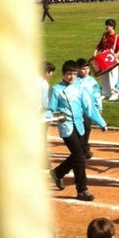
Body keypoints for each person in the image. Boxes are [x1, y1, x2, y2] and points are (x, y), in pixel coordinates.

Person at [48, 60, 108, 201]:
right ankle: (82, 190)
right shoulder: (57, 89)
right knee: (80, 158)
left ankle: (57, 173)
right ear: (63, 74)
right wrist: (56, 116)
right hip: (67, 127)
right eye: (69, 74)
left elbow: (89, 107)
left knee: (77, 155)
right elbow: (51, 109)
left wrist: (101, 123)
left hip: (79, 126)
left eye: (74, 74)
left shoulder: (80, 88)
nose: (72, 77)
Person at [76, 58, 102, 160]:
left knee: (87, 128)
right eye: (83, 69)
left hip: (88, 109)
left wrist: (99, 107)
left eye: (87, 68)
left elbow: (96, 94)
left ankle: (85, 148)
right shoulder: (74, 80)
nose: (86, 71)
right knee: (78, 130)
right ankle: (82, 150)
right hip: (77, 109)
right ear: (77, 69)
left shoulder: (92, 81)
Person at [93, 18, 119, 101]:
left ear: (113, 27)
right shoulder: (104, 35)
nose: (106, 27)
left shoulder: (117, 37)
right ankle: (105, 93)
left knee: (113, 76)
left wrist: (116, 56)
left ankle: (114, 93)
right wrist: (96, 51)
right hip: (103, 57)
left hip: (111, 57)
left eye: (108, 25)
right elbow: (100, 45)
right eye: (106, 25)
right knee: (104, 75)